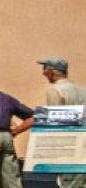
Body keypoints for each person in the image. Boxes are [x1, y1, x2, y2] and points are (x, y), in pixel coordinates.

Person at [38, 57, 86, 188]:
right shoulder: (82, 90)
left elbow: (55, 123)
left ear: (52, 72)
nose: (43, 73)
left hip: (69, 144)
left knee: (68, 183)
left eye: (45, 70)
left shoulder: (54, 90)